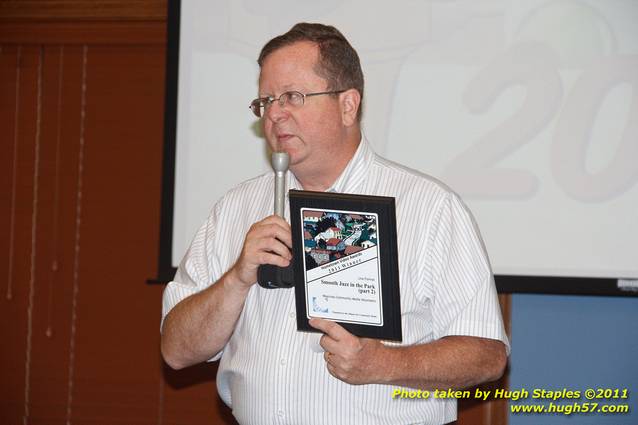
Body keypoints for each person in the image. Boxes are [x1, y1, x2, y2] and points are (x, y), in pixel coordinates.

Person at [161, 23, 509, 425]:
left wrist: (383, 362)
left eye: (293, 96)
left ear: (348, 105)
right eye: (266, 100)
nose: (275, 113)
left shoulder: (429, 208)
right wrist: (237, 279)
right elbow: (176, 349)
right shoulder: (234, 209)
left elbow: (486, 355)